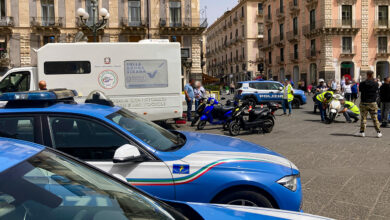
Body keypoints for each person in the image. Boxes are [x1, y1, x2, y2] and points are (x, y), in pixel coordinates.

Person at [357, 71, 382, 138]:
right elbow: (376, 90)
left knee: (363, 118)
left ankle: (362, 132)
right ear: (372, 75)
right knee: (375, 118)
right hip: (373, 103)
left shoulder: (362, 84)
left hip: (364, 102)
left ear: (367, 75)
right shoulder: (376, 84)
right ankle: (378, 132)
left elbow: (360, 90)